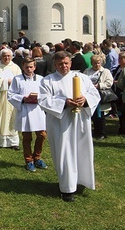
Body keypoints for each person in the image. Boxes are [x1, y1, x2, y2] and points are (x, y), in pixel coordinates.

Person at [39, 51, 100, 202]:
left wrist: (84, 100)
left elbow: (95, 94)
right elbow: (43, 100)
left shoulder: (82, 78)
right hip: (60, 122)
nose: (64, 66)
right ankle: (67, 188)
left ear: (70, 63)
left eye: (66, 63)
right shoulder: (48, 81)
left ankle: (81, 181)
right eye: (60, 64)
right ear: (55, 64)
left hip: (80, 121)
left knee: (82, 150)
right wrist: (64, 103)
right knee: (64, 153)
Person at [8, 57, 47, 172]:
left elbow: (45, 94)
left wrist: (38, 98)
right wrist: (23, 99)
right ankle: (29, 160)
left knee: (42, 135)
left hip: (37, 110)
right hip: (24, 110)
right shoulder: (17, 79)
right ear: (22, 67)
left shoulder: (41, 79)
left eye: (31, 67)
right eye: (27, 67)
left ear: (35, 67)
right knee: (27, 137)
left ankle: (37, 157)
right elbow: (10, 95)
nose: (29, 69)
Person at [84, 54, 114, 139]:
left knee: (100, 114)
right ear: (91, 63)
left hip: (100, 95)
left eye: (98, 63)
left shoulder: (105, 71)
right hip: (90, 95)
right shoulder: (87, 71)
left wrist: (99, 85)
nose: (97, 65)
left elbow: (109, 83)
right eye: (94, 63)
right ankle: (95, 131)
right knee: (93, 115)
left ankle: (102, 133)